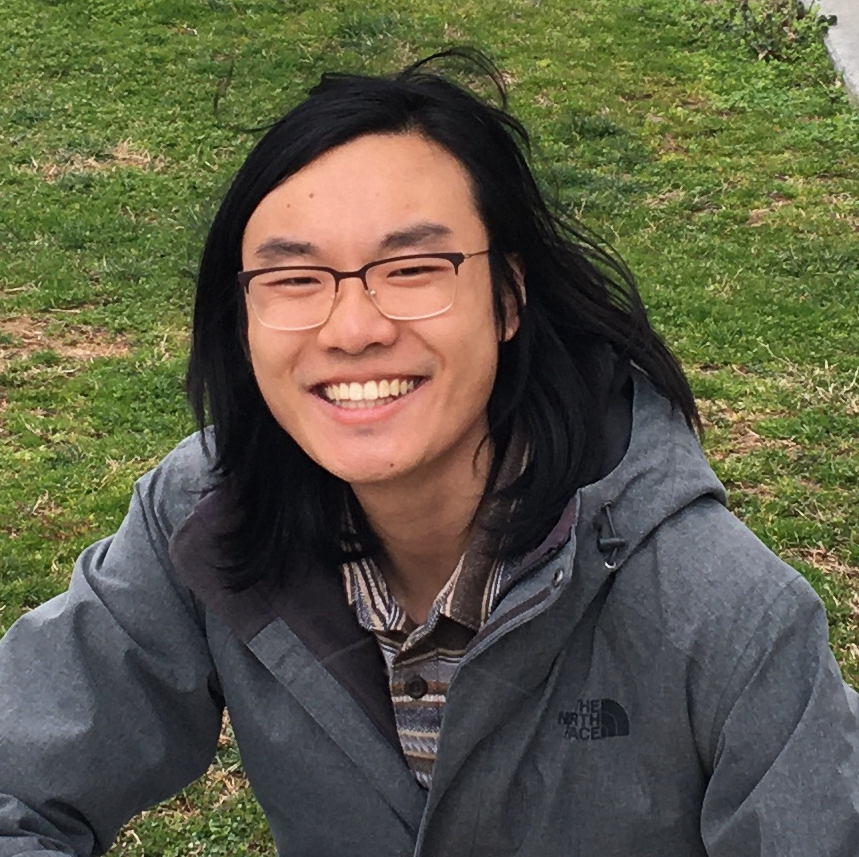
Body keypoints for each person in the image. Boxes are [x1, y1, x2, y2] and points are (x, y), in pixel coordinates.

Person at [1, 48, 857, 857]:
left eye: (413, 268)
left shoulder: (720, 610)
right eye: (294, 278)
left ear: (508, 297)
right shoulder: (204, 518)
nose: (355, 328)